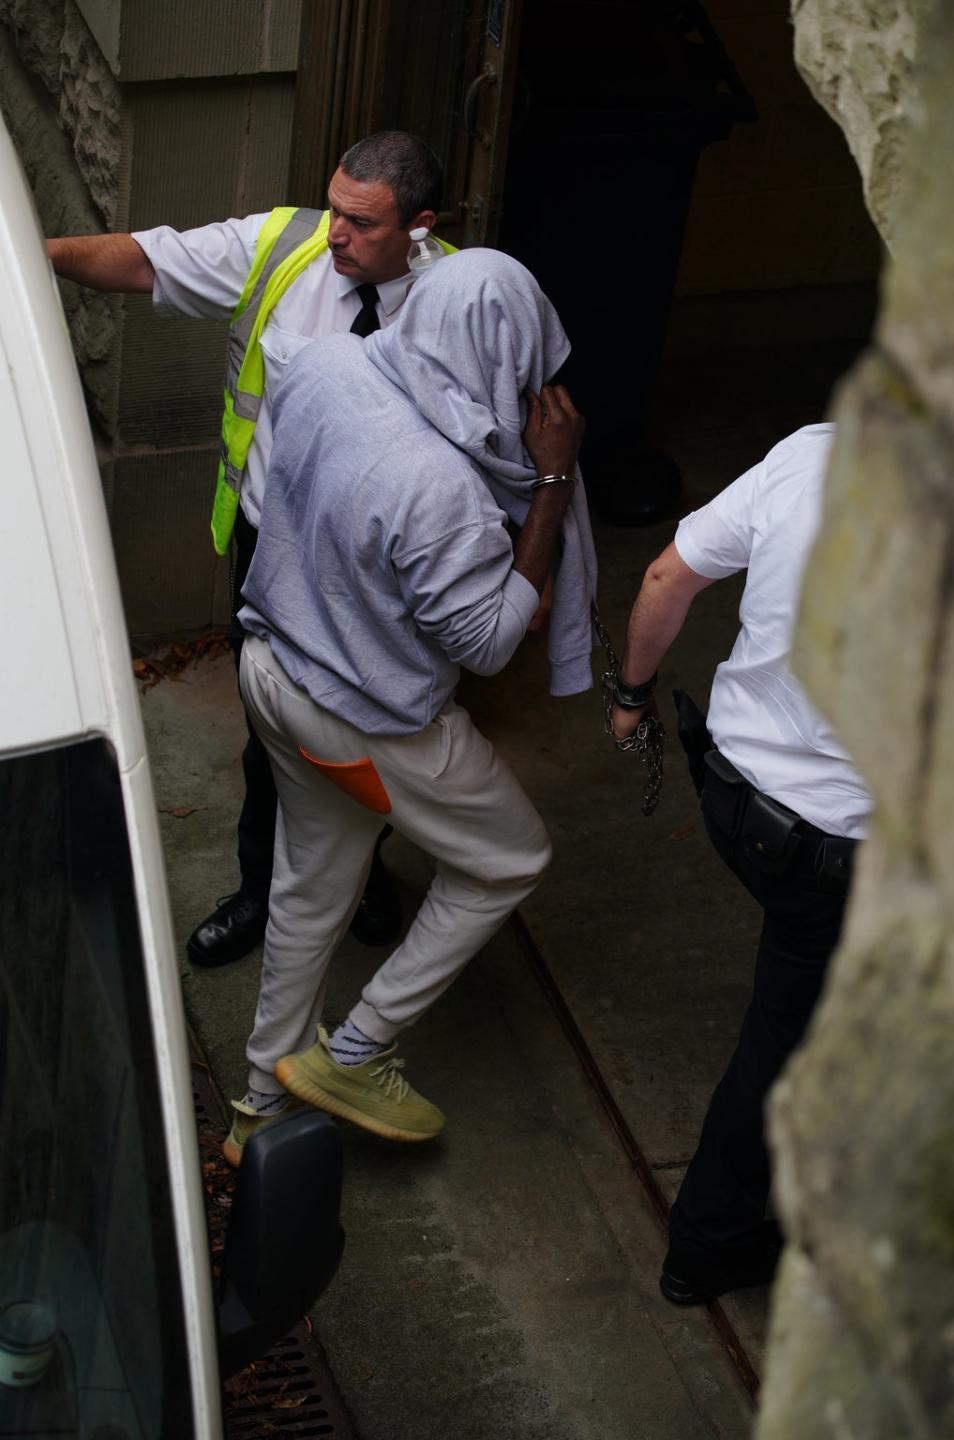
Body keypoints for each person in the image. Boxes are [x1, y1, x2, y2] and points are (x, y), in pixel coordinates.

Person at [222, 247, 597, 1164]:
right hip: (367, 717)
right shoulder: (444, 494)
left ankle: (260, 1107)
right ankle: (359, 1048)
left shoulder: (322, 362)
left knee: (309, 894)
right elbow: (490, 642)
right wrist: (548, 485)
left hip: (272, 671)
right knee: (509, 859)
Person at [47, 130, 448, 966]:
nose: (334, 233)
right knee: (274, 734)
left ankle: (363, 875)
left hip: (383, 569)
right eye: (334, 208)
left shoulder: (461, 293)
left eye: (361, 223)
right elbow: (145, 261)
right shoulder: (283, 245)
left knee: (374, 730)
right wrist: (27, 251)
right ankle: (259, 894)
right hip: (276, 554)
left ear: (419, 227)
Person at [609, 424, 871, 1305]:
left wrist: (630, 696)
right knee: (782, 1045)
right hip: (830, 856)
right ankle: (705, 1246)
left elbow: (665, 578)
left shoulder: (816, 450)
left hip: (728, 789)